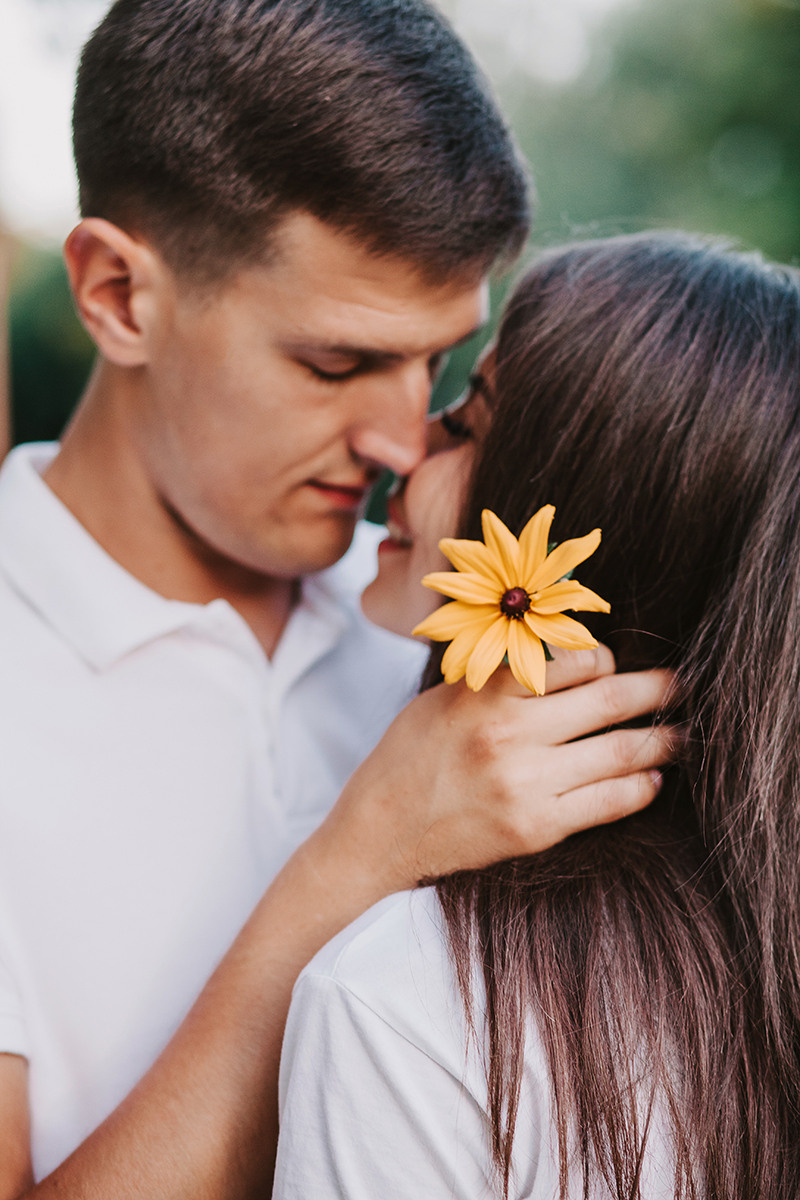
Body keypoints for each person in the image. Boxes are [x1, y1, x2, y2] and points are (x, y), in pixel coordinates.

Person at [0, 3, 673, 1195]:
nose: (403, 442)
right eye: (335, 363)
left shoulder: (460, 629)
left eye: (438, 364)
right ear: (116, 294)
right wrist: (357, 856)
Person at [276, 232, 800, 1199]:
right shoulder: (763, 961)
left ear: (564, 513)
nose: (405, 445)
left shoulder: (405, 1004)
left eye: (468, 422)